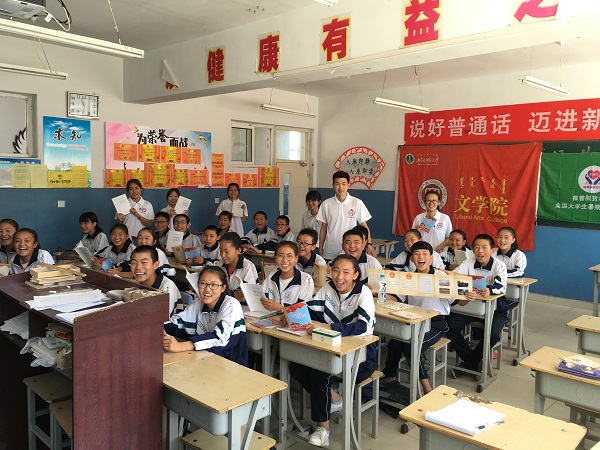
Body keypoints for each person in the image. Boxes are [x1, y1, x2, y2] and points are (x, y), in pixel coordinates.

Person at [294, 254, 376, 447]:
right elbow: (312, 310)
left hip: (360, 356)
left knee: (319, 372)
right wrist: (292, 314)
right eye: (336, 271)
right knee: (296, 366)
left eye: (346, 272)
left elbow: (364, 327)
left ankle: (323, 429)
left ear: (355, 275)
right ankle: (335, 399)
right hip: (330, 349)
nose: (339, 277)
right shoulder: (328, 288)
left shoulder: (363, 293)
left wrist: (330, 327)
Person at [382, 241, 468, 393]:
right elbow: (397, 298)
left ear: (431, 258)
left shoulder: (441, 277)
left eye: (424, 254)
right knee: (395, 342)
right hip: (413, 321)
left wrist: (467, 297)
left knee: (411, 346)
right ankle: (389, 377)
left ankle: (426, 387)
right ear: (411, 259)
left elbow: (458, 302)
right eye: (416, 254)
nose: (420, 257)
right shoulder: (409, 277)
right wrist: (379, 292)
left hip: (436, 324)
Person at [446, 234, 507, 377]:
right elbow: (454, 276)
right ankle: (474, 362)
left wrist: (490, 290)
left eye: (484, 247)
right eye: (477, 247)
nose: (480, 251)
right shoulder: (469, 262)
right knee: (449, 327)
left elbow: (501, 286)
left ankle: (470, 364)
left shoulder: (499, 265)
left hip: (495, 309)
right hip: (472, 307)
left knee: (493, 335)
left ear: (492, 250)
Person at [163, 265, 248, 366]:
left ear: (223, 288)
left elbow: (220, 338)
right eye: (203, 283)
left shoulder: (231, 304)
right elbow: (176, 323)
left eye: (214, 285)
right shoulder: (199, 303)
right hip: (206, 359)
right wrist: (157, 329)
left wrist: (181, 346)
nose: (207, 289)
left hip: (231, 365)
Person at [316, 171, 376, 261]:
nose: (340, 187)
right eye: (337, 184)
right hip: (330, 251)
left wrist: (369, 245)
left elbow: (364, 226)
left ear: (348, 185)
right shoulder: (326, 204)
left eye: (344, 184)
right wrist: (321, 250)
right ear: (333, 185)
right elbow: (323, 228)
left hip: (350, 250)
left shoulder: (357, 203)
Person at [260, 241, 315, 313]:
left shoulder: (305, 279)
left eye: (289, 256)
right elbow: (262, 299)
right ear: (275, 258)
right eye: (281, 256)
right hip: (272, 317)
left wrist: (282, 308)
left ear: (296, 258)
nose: (285, 260)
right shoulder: (271, 276)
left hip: (293, 319)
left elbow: (305, 311)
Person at [130, 245, 180, 317]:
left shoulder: (167, 288)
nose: (138, 267)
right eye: (134, 263)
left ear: (156, 265)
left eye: (144, 262)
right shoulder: (136, 284)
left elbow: (162, 318)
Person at [215, 232, 258, 300]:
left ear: (238, 250)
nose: (222, 255)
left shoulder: (247, 266)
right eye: (221, 251)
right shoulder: (220, 264)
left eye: (226, 251)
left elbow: (248, 293)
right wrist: (233, 294)